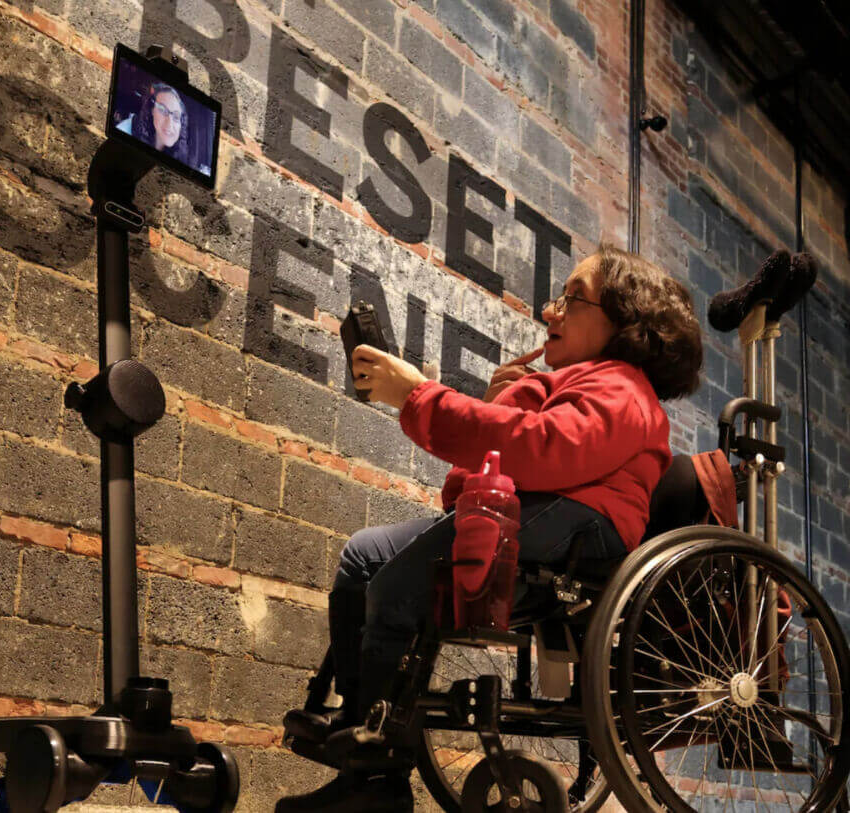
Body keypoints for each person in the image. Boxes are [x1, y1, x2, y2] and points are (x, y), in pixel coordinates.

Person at [275, 244, 703, 812]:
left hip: (580, 528)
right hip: (527, 511)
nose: (549, 313)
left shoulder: (624, 388)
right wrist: (511, 397)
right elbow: (500, 460)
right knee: (363, 557)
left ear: (626, 324)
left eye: (571, 299)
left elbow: (540, 450)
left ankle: (375, 771)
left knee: (397, 588)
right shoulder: (573, 382)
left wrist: (418, 395)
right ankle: (361, 736)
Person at [117, 82, 190, 166]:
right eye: (162, 110)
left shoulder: (181, 158)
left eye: (176, 117)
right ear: (152, 111)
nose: (169, 123)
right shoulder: (126, 130)